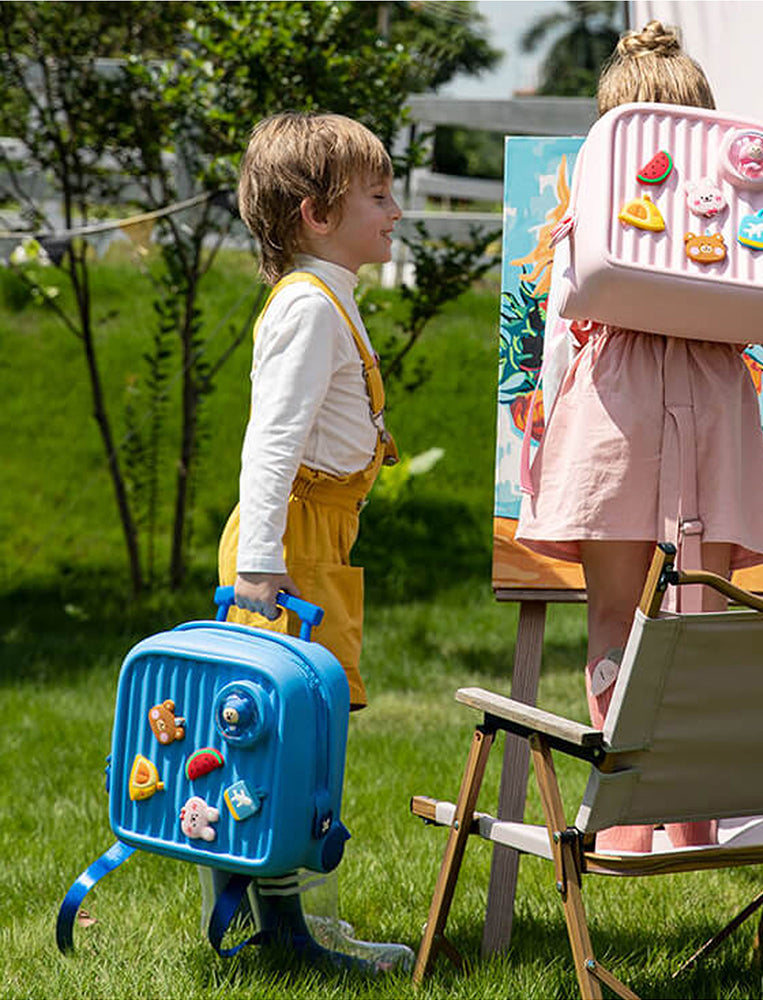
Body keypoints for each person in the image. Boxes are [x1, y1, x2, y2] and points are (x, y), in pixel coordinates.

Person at [516, 22, 763, 853]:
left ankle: (629, 816)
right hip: (707, 410)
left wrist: (537, 428)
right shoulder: (743, 209)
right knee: (695, 622)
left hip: (614, 413)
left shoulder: (592, 209)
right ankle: (688, 817)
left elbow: (566, 321)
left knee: (614, 622)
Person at [216, 110, 411, 971]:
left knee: (310, 732)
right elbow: (271, 443)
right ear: (316, 215)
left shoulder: (330, 297)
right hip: (285, 553)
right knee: (283, 738)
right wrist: (261, 566)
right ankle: (287, 932)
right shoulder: (308, 308)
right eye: (378, 194)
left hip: (312, 545)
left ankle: (293, 924)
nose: (396, 210)